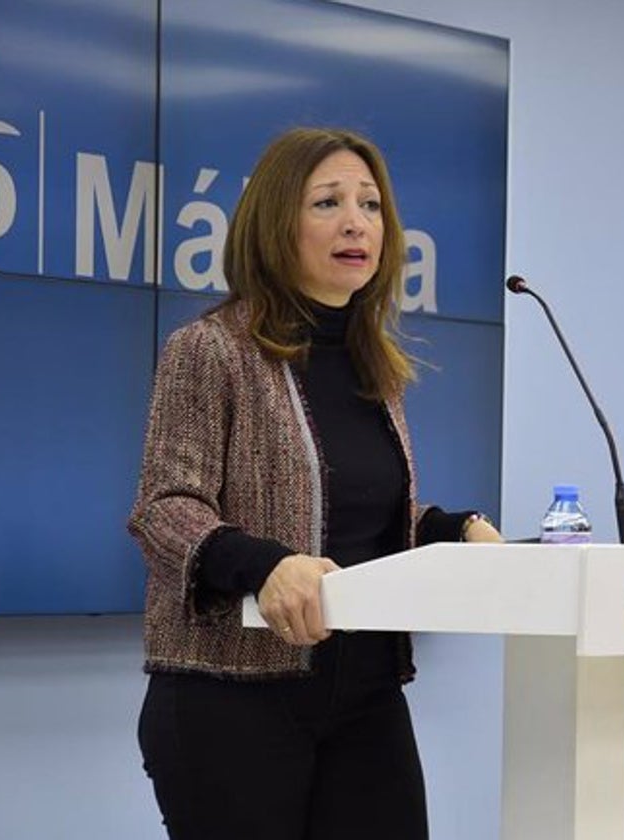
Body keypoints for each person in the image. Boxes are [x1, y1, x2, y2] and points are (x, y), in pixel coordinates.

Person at [128, 126, 502, 840]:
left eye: (371, 204)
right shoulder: (209, 350)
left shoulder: (373, 367)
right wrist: (266, 567)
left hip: (364, 693)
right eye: (328, 202)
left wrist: (451, 528)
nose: (357, 221)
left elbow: (343, 510)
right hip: (229, 697)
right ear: (276, 223)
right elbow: (166, 508)